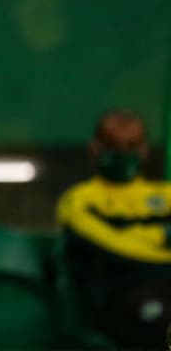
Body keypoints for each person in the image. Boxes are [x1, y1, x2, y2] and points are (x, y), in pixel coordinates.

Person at [58, 108, 171, 350]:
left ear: (144, 150)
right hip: (115, 297)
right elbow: (113, 248)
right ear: (95, 148)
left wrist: (132, 236)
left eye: (131, 146)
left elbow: (123, 241)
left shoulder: (166, 194)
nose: (122, 154)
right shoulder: (79, 199)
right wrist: (163, 236)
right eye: (113, 146)